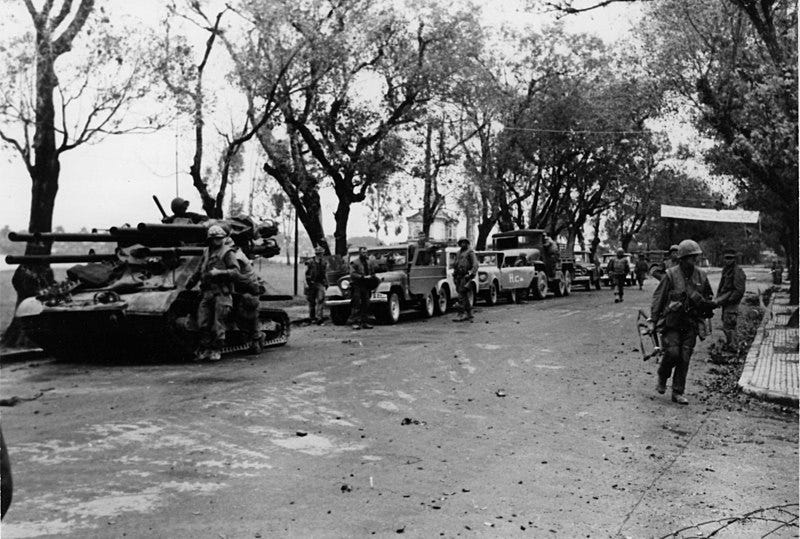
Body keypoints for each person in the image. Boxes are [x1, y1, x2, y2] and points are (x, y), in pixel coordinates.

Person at [650, 239, 715, 405]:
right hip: (672, 322)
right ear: (683, 258)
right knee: (672, 353)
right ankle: (663, 376)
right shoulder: (671, 274)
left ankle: (678, 392)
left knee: (684, 357)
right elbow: (659, 298)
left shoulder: (701, 275)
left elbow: (708, 295)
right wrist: (654, 320)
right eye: (692, 257)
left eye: (697, 257)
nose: (696, 261)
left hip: (691, 322)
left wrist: (707, 306)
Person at [186, 225, 239, 361]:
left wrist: (219, 272)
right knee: (203, 322)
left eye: (220, 238)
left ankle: (216, 349)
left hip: (221, 292)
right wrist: (190, 283)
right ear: (210, 239)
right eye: (215, 239)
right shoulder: (206, 252)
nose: (218, 241)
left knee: (218, 323)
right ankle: (205, 348)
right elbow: (199, 270)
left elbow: (235, 272)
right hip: (207, 292)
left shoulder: (228, 253)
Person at [714, 248, 746, 349]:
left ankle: (734, 347)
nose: (727, 260)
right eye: (726, 258)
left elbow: (739, 290)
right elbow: (722, 286)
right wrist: (719, 298)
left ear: (734, 259)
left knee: (730, 325)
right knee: (726, 324)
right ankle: (731, 345)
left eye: (730, 258)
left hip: (731, 303)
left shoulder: (738, 271)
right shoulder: (726, 270)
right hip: (725, 302)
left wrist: (729, 300)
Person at [348, 246, 377, 330]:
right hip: (357, 284)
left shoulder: (369, 262)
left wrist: (372, 277)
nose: (365, 254)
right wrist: (362, 277)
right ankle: (355, 322)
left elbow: (372, 272)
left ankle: (365, 322)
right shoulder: (355, 262)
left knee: (366, 303)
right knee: (356, 303)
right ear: (359, 253)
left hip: (366, 285)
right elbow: (352, 273)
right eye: (363, 252)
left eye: (366, 252)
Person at [453, 237, 479, 322]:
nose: (463, 244)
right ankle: (469, 313)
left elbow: (475, 264)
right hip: (458, 276)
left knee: (461, 294)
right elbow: (456, 265)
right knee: (463, 295)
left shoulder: (470, 252)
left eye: (465, 242)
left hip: (466, 275)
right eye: (461, 242)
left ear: (467, 243)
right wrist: (455, 274)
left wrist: (472, 274)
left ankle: (461, 314)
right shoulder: (458, 253)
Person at [305, 246, 328, 325]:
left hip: (320, 283)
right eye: (321, 253)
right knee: (311, 302)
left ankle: (319, 318)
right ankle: (312, 318)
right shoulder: (310, 262)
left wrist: (326, 283)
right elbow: (305, 273)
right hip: (310, 283)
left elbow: (325, 273)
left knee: (321, 299)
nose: (322, 254)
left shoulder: (323, 262)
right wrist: (306, 284)